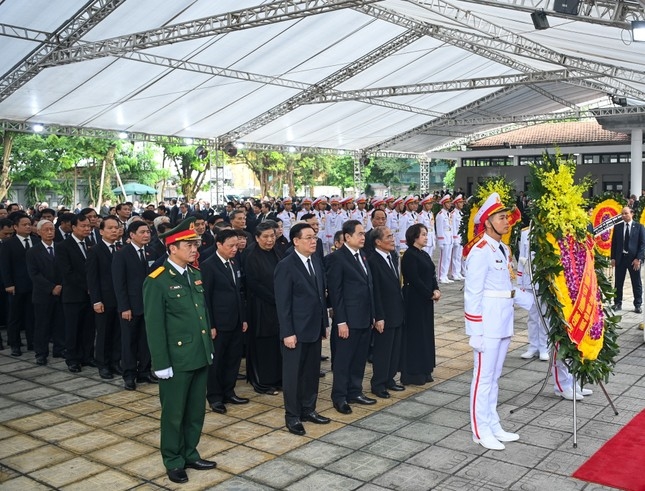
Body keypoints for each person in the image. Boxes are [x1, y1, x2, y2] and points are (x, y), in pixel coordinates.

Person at [143, 217, 216, 484]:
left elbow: (201, 315)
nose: (195, 249)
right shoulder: (157, 280)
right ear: (172, 247)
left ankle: (190, 452)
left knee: (195, 411)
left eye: (196, 244)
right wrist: (161, 363)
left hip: (198, 354)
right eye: (189, 244)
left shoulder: (194, 275)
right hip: (175, 359)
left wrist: (208, 346)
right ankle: (173, 460)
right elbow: (154, 326)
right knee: (174, 414)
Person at [464, 192, 533, 451]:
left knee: (494, 378)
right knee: (482, 378)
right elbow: (473, 293)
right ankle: (480, 430)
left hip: (503, 320)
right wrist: (476, 331)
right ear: (487, 222)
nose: (507, 222)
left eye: (506, 217)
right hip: (487, 324)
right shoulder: (480, 251)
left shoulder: (503, 248)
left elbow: (508, 285)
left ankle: (493, 423)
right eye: (501, 218)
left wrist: (530, 302)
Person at [274, 222, 330, 436]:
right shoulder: (286, 265)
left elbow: (320, 296)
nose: (313, 241)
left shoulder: (315, 260)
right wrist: (287, 332)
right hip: (295, 332)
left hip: (314, 328)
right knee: (293, 375)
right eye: (308, 237)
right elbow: (283, 303)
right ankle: (293, 415)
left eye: (314, 237)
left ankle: (309, 409)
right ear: (296, 241)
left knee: (310, 372)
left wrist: (324, 323)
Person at [325, 219, 376, 414]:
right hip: (348, 320)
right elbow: (336, 293)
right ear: (347, 237)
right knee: (343, 360)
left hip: (364, 318)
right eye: (360, 234)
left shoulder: (362, 255)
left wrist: (372, 315)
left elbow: (368, 287)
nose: (364, 237)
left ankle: (355, 391)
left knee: (359, 358)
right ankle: (339, 396)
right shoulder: (337, 258)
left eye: (364, 234)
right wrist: (341, 321)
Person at [201, 228, 249, 414]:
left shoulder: (234, 263)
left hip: (236, 321)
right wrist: (210, 324)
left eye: (236, 245)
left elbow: (239, 292)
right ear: (219, 245)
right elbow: (206, 299)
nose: (234, 249)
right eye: (231, 246)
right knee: (217, 361)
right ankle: (215, 397)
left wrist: (243, 318)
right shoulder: (208, 265)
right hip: (219, 324)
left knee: (233, 359)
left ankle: (229, 391)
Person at [112, 220, 158, 390]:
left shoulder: (151, 252)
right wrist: (124, 307)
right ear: (131, 235)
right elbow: (119, 284)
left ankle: (144, 371)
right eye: (142, 232)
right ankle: (129, 375)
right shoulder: (122, 254)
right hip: (130, 307)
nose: (146, 235)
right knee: (129, 341)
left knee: (146, 340)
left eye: (148, 232)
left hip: (149, 305)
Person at [400, 223, 441, 385]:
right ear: (414, 237)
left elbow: (431, 274)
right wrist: (429, 293)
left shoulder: (423, 254)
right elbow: (414, 279)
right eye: (423, 234)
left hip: (425, 301)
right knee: (415, 335)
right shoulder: (410, 255)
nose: (426, 237)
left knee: (426, 334)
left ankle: (425, 368)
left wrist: (436, 289)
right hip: (414, 300)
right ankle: (413, 373)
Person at [244, 222, 282, 395]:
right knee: (263, 346)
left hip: (278, 307)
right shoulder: (251, 254)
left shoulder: (277, 251)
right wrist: (275, 298)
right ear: (257, 238)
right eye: (265, 237)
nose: (269, 240)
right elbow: (253, 283)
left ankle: (277, 378)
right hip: (260, 307)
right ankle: (263, 382)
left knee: (276, 344)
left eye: (272, 236)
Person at [367, 226, 405, 398]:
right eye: (388, 237)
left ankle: (390, 378)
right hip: (384, 314)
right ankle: (378, 383)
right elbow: (375, 292)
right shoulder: (373, 260)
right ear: (378, 242)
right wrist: (379, 316)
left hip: (396, 311)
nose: (392, 239)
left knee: (394, 349)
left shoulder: (392, 256)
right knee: (383, 351)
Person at [86, 216, 122, 379]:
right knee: (103, 333)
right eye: (110, 228)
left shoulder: (121, 248)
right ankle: (103, 364)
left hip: (119, 299)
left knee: (117, 333)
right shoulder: (94, 250)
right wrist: (96, 300)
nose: (114, 230)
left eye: (116, 227)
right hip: (103, 300)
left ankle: (115, 361)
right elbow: (92, 278)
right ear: (101, 231)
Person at [26, 220, 64, 365]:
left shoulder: (60, 248)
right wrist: (51, 287)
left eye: (52, 229)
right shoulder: (33, 251)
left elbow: (66, 269)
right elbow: (34, 274)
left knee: (60, 322)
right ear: (39, 232)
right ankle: (41, 353)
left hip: (61, 291)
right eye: (46, 230)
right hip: (43, 294)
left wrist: (60, 285)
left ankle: (59, 348)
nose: (50, 232)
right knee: (42, 324)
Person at [0, 213, 39, 356]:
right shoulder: (8, 244)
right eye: (24, 224)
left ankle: (32, 342)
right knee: (15, 316)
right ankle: (15, 343)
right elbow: (5, 266)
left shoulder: (36, 241)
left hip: (33, 286)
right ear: (15, 227)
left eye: (29, 224)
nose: (28, 226)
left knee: (31, 315)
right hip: (16, 286)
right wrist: (8, 284)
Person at [516, 226, 548, 361]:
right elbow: (522, 256)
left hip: (546, 280)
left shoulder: (549, 230)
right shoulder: (526, 233)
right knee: (533, 316)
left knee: (545, 315)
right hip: (530, 279)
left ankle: (544, 347)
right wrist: (520, 280)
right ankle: (533, 346)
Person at [610, 206, 645, 313]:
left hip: (633, 260)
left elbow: (643, 244)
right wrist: (613, 258)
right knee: (618, 282)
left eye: (626, 213)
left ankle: (638, 304)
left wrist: (638, 258)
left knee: (636, 282)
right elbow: (614, 244)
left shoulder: (639, 227)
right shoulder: (618, 227)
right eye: (622, 214)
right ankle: (617, 303)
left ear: (632, 213)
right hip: (620, 258)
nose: (624, 215)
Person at [435, 194, 453, 284]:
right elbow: (439, 228)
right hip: (444, 238)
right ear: (444, 203)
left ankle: (445, 275)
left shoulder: (449, 214)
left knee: (448, 257)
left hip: (449, 238)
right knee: (443, 258)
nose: (450, 204)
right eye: (448, 203)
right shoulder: (440, 215)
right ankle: (441, 276)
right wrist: (440, 240)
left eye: (450, 203)